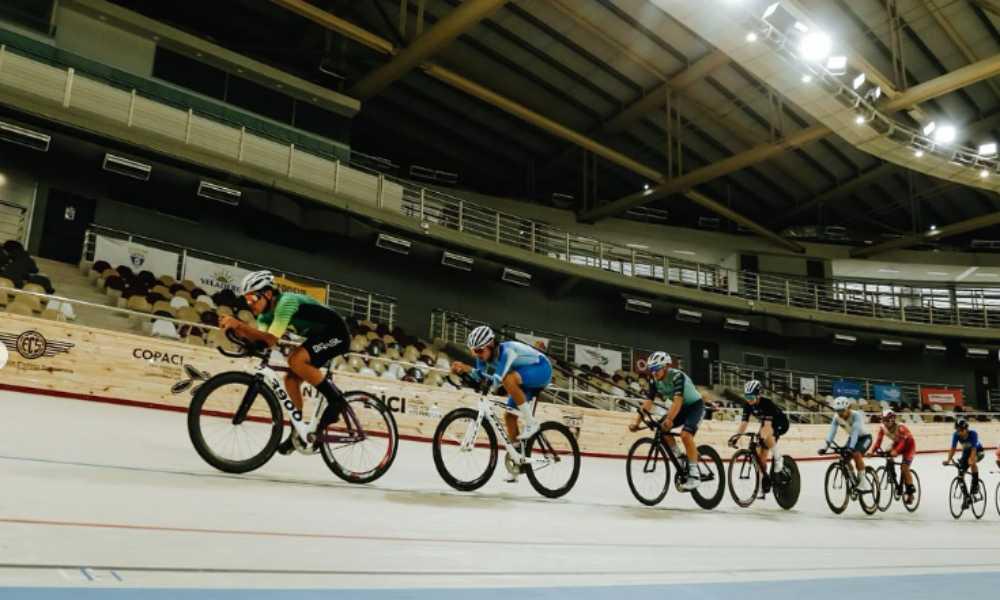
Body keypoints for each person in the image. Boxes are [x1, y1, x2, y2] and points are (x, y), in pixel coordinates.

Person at [220, 271, 351, 455]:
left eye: (251, 298)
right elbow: (263, 342)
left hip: (337, 333)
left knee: (296, 360)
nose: (249, 304)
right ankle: (297, 433)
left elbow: (271, 339)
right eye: (246, 300)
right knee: (290, 379)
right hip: (319, 336)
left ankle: (336, 401)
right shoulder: (264, 317)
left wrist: (239, 325)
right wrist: (241, 337)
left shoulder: (285, 302)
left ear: (267, 294)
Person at [450, 325, 551, 483]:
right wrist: (465, 370)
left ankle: (532, 423)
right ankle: (517, 464)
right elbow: (480, 377)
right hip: (523, 378)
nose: (476, 355)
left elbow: (497, 380)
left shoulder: (507, 351)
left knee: (508, 379)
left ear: (490, 345)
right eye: (473, 351)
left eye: (479, 351)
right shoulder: (483, 358)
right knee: (509, 417)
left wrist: (473, 372)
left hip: (541, 369)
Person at [629, 352, 705, 491]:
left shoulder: (677, 376)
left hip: (695, 406)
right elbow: (647, 403)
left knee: (685, 435)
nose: (654, 372)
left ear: (666, 366)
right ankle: (680, 458)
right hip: (680, 408)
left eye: (656, 368)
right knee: (662, 430)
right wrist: (637, 422)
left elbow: (678, 400)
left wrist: (669, 419)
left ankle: (695, 476)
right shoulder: (653, 380)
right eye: (651, 369)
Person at [729, 379, 789, 493]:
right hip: (766, 423)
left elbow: (767, 427)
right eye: (747, 397)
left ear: (759, 395)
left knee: (766, 438)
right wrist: (736, 437)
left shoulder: (767, 403)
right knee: (760, 455)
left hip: (780, 423)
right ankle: (763, 482)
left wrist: (760, 438)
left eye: (751, 397)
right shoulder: (747, 404)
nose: (749, 400)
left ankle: (778, 458)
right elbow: (744, 423)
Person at [818, 396, 873, 492]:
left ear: (849, 408)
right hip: (853, 438)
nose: (839, 413)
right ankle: (853, 480)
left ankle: (864, 483)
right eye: (837, 411)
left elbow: (855, 433)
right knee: (844, 458)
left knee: (856, 454)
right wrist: (825, 448)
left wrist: (851, 448)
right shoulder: (836, 418)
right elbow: (832, 433)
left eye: (842, 411)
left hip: (865, 438)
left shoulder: (856, 415)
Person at [868, 408, 916, 504]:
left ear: (892, 420)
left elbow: (903, 442)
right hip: (897, 443)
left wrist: (896, 451)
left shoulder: (901, 427)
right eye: (883, 420)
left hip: (909, 446)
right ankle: (892, 474)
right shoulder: (882, 428)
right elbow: (878, 441)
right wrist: (872, 451)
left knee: (904, 467)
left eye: (887, 420)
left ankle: (910, 491)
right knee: (887, 453)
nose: (885, 422)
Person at [943, 419, 985, 507]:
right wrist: (948, 459)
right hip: (966, 453)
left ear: (966, 429)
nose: (958, 432)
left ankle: (975, 484)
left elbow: (973, 450)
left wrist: (971, 460)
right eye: (957, 430)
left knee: (972, 462)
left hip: (978, 451)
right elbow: (953, 448)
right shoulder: (956, 435)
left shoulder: (973, 434)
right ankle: (967, 498)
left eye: (960, 430)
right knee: (960, 474)